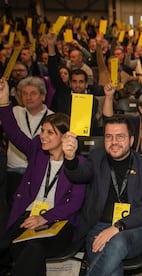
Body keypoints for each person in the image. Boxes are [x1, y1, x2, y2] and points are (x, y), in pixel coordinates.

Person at [0, 79, 86, 276]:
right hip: (28, 215)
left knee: (32, 248)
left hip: (59, 222)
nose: (43, 136)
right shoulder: (37, 152)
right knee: (11, 245)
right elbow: (13, 132)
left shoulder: (78, 164)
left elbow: (74, 204)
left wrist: (44, 218)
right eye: (42, 131)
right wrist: (4, 101)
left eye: (50, 133)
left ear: (65, 137)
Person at [62, 115, 142, 276]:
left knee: (118, 242)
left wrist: (118, 227)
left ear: (131, 140)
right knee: (111, 270)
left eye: (120, 136)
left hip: (134, 229)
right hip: (99, 227)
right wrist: (70, 158)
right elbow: (79, 175)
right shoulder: (97, 158)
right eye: (109, 137)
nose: (114, 142)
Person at [6, 77, 54, 208]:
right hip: (14, 170)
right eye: (25, 94)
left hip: (39, 173)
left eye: (33, 93)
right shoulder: (15, 112)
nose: (28, 97)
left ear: (43, 96)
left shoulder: (52, 117)